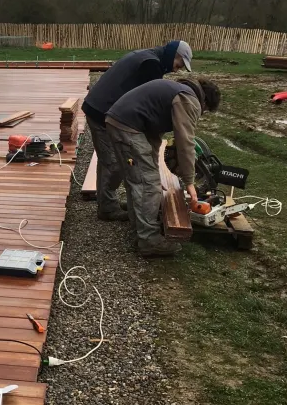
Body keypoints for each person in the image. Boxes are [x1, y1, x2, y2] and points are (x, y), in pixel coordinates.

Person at [105, 77, 221, 258]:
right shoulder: (188, 100)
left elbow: (154, 132)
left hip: (119, 121)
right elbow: (186, 143)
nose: (201, 113)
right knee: (148, 183)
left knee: (137, 178)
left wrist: (152, 164)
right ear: (204, 102)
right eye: (205, 111)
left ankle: (139, 228)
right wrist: (189, 182)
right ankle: (149, 241)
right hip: (128, 126)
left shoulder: (177, 90)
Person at [81, 41, 193, 221]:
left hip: (99, 105)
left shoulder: (148, 56)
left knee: (108, 161)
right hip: (101, 110)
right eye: (178, 64)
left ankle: (107, 202)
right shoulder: (151, 65)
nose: (176, 70)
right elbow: (145, 104)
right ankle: (107, 209)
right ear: (173, 54)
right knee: (114, 164)